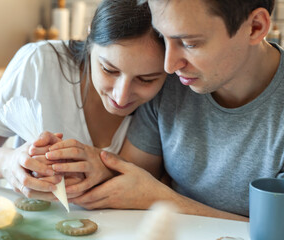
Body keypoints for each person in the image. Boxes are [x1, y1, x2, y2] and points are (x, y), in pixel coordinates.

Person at [45, 0, 282, 222]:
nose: (168, 65)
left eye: (189, 43)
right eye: (163, 37)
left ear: (255, 27)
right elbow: (131, 181)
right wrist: (78, 169)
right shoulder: (174, 80)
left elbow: (275, 230)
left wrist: (164, 199)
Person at [0, 0, 166, 200]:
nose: (121, 96)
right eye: (109, 70)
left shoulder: (173, 93)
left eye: (146, 80)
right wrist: (6, 162)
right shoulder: (40, 63)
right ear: (90, 39)